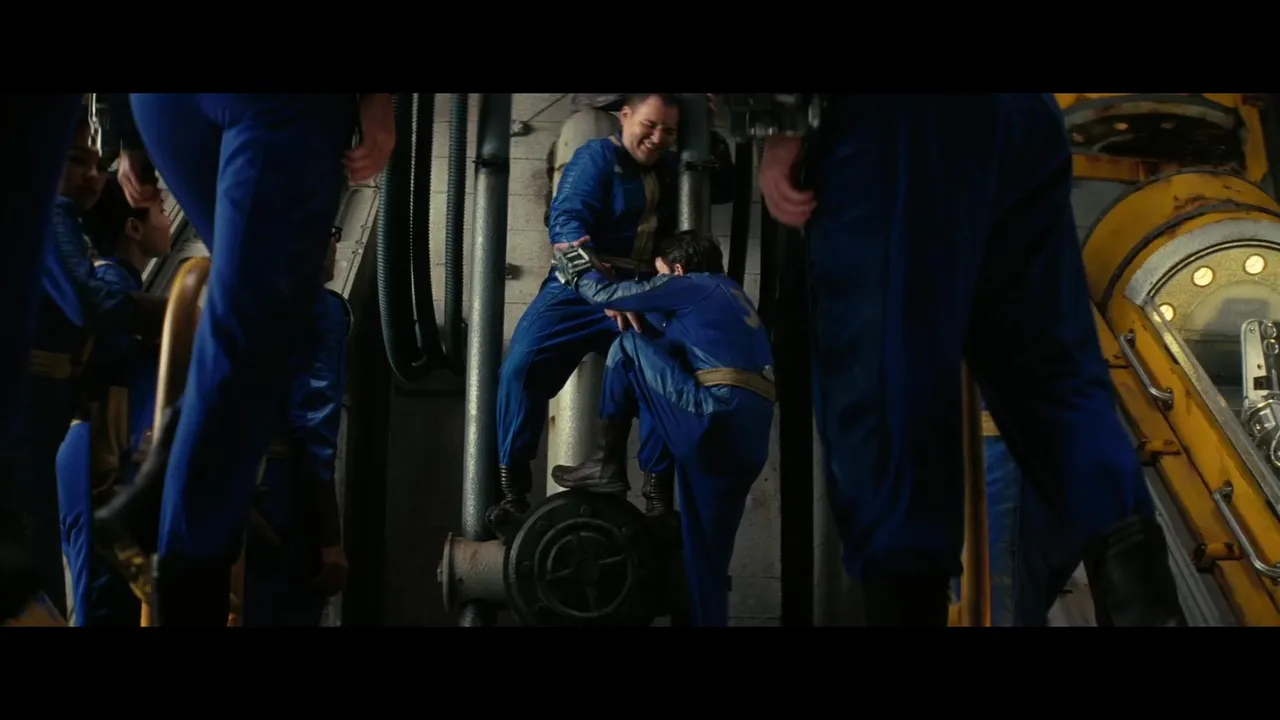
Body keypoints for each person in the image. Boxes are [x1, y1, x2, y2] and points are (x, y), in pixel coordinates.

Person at [756, 94, 1186, 627]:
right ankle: (1149, 610)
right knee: (1053, 377)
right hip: (1025, 116)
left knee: (890, 403)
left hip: (899, 124)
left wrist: (785, 126)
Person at [93, 93, 393, 627]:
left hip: (162, 107)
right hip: (271, 106)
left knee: (263, 316)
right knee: (258, 325)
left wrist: (129, 134)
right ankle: (179, 568)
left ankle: (152, 501)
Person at [494, 93, 735, 521]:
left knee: (667, 374)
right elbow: (566, 223)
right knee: (521, 366)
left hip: (645, 290)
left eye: (668, 131)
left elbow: (722, 188)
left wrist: (710, 131)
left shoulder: (671, 167)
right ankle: (513, 493)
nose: (657, 138)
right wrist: (602, 291)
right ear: (625, 116)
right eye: (649, 125)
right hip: (581, 288)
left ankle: (656, 499)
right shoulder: (596, 158)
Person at [548, 230, 774, 627]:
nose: (660, 282)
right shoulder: (731, 295)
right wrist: (633, 313)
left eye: (661, 275)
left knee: (627, 349)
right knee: (705, 563)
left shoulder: (691, 285)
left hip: (714, 417)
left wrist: (576, 267)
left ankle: (606, 463)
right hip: (751, 437)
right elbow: (675, 351)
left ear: (679, 271)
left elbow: (603, 295)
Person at [55, 172, 171, 626]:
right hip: (100, 455)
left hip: (106, 451)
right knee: (104, 603)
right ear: (133, 227)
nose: (168, 216)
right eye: (159, 209)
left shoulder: (122, 286)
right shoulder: (113, 289)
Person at [240, 233, 350, 627]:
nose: (335, 245)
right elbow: (314, 424)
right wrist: (330, 540)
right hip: (281, 491)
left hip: (234, 487)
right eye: (328, 233)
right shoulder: (319, 310)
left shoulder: (244, 299)